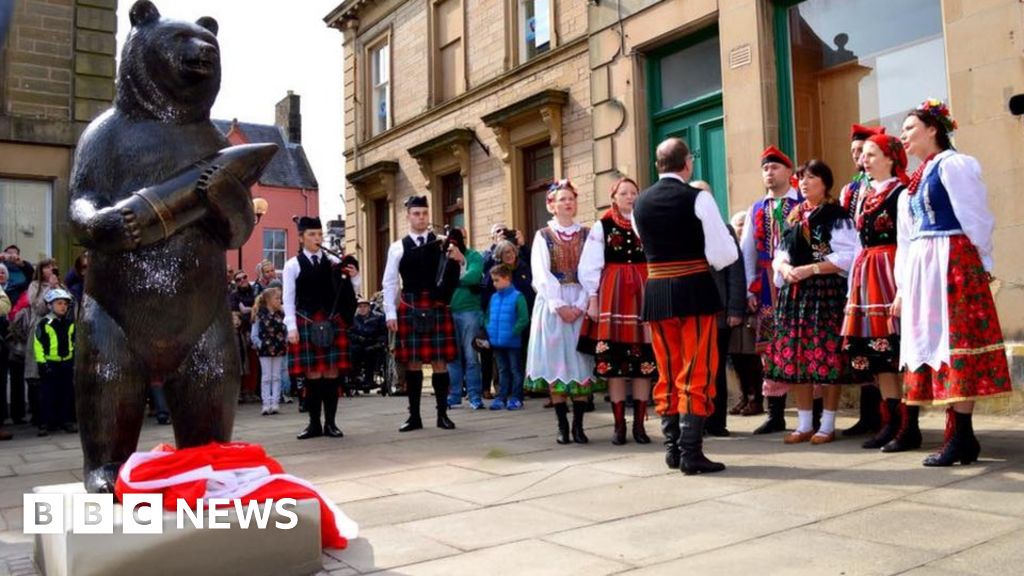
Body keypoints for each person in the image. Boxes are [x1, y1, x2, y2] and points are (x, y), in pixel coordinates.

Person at [895, 99, 1012, 466]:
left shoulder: (953, 165)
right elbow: (909, 236)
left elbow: (976, 216)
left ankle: (962, 437)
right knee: (937, 345)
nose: (904, 136)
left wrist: (982, 262)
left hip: (952, 262)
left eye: (910, 128)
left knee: (956, 343)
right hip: (927, 267)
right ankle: (959, 436)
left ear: (933, 129)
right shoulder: (918, 178)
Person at [633, 138, 738, 475]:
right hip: (693, 289)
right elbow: (724, 255)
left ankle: (673, 448)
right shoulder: (699, 197)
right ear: (687, 164)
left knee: (667, 369)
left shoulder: (639, 203)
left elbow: (645, 244)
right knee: (697, 368)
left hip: (658, 291)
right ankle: (691, 452)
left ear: (657, 165)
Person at [767, 160, 863, 445]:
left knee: (826, 357)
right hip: (795, 295)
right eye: (802, 178)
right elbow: (781, 250)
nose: (805, 183)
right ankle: (805, 423)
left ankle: (828, 424)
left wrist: (812, 269)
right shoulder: (795, 216)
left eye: (810, 178)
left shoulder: (836, 215)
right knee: (797, 358)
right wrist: (784, 268)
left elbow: (848, 255)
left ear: (824, 182)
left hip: (824, 293)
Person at [841, 133, 917, 451]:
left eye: (872, 154)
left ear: (890, 158)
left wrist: (904, 287)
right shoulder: (864, 194)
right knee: (879, 356)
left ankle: (909, 426)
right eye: (864, 155)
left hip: (890, 270)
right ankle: (891, 421)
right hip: (867, 273)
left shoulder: (902, 193)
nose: (865, 160)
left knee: (901, 352)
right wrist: (851, 290)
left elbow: (909, 240)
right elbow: (859, 242)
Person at [524, 180, 605, 444]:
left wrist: (581, 304)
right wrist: (559, 305)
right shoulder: (543, 235)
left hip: (580, 300)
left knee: (580, 364)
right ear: (551, 205)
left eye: (571, 198)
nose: (567, 203)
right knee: (556, 363)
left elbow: (593, 270)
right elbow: (541, 273)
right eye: (562, 199)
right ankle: (562, 426)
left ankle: (579, 426)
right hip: (553, 304)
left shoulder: (587, 233)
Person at [578, 177, 655, 445]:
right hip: (614, 294)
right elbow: (590, 266)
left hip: (644, 293)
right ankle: (619, 426)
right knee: (616, 366)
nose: (630, 197)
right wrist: (593, 298)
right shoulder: (603, 225)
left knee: (644, 364)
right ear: (614, 197)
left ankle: (640, 426)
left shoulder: (647, 221)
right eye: (624, 193)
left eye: (634, 192)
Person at [382, 196, 461, 432]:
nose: (421, 218)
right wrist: (390, 313)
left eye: (424, 213)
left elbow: (459, 270)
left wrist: (460, 257)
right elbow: (389, 282)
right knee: (413, 363)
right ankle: (414, 416)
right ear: (407, 216)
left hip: (436, 305)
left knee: (440, 363)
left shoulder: (442, 243)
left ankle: (442, 415)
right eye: (416, 214)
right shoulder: (397, 247)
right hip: (411, 305)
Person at [739, 146, 803, 435]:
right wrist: (748, 290)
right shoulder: (756, 208)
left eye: (775, 167)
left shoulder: (803, 202)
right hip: (766, 287)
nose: (769, 172)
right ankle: (775, 413)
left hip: (799, 282)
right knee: (770, 349)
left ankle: (809, 414)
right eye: (765, 168)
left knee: (803, 344)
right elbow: (748, 251)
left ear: (789, 173)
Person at [283, 216, 360, 440]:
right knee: (313, 375)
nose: (317, 238)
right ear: (301, 238)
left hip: (331, 322)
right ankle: (314, 424)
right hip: (306, 321)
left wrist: (355, 278)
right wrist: (291, 328)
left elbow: (348, 293)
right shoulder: (293, 265)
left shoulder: (333, 263)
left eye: (319, 234)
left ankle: (331, 424)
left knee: (331, 373)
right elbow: (288, 298)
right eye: (311, 235)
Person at [839, 124, 887, 438]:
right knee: (862, 345)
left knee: (883, 341)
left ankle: (889, 414)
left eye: (864, 151)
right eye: (855, 152)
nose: (858, 157)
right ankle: (868, 415)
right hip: (858, 267)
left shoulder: (884, 186)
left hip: (880, 266)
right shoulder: (850, 190)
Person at [690, 180, 746, 438]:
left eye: (705, 194)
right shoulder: (684, 230)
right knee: (693, 369)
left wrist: (736, 309)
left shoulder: (724, 230)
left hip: (720, 313)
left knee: (716, 368)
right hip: (691, 313)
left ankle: (717, 422)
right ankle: (695, 422)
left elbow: (735, 271)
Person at [481, 239, 535, 402]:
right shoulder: (495, 272)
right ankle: (502, 391)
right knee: (503, 365)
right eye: (505, 253)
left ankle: (520, 391)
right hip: (500, 324)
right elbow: (487, 298)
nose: (509, 255)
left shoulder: (524, 266)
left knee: (518, 361)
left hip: (520, 319)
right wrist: (488, 326)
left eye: (511, 252)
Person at [725, 211, 764, 418]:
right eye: (737, 224)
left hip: (751, 308)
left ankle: (756, 398)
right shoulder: (730, 247)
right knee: (736, 356)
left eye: (743, 224)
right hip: (734, 309)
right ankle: (743, 395)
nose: (740, 228)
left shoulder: (753, 251)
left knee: (751, 355)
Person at [444, 227, 486, 410]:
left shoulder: (474, 256)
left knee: (471, 356)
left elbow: (474, 276)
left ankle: (475, 395)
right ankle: (454, 395)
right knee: (452, 356)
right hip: (448, 311)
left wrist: (461, 262)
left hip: (470, 311)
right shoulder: (444, 258)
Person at [33, 288, 76, 436]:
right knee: (47, 395)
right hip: (50, 364)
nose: (63, 306)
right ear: (50, 305)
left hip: (66, 363)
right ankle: (45, 423)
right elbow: (38, 344)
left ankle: (66, 421)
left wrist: (73, 360)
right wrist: (42, 363)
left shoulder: (70, 323)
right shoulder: (44, 323)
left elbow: (74, 343)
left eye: (65, 304)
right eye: (59, 303)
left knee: (66, 393)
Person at [485, 265, 529, 411]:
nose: (494, 283)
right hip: (497, 342)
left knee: (515, 370)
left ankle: (516, 397)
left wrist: (513, 332)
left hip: (512, 342)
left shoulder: (518, 296)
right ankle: (501, 397)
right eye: (493, 280)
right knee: (503, 370)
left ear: (507, 278)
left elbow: (523, 318)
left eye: (497, 280)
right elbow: (488, 316)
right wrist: (489, 330)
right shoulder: (493, 297)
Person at [251, 287, 287, 415]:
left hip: (278, 348)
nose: (279, 301)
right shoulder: (260, 314)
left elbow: (285, 330)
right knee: (266, 376)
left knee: (276, 376)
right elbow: (254, 333)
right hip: (265, 350)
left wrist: (285, 342)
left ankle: (275, 402)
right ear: (268, 300)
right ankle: (266, 403)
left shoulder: (281, 314)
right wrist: (260, 344)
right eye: (277, 298)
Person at [231, 269, 259, 403]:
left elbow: (259, 307)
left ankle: (251, 391)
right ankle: (241, 391)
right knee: (242, 361)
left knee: (254, 362)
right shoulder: (234, 295)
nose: (242, 280)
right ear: (235, 282)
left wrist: (249, 310)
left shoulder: (255, 291)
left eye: (244, 277)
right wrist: (251, 310)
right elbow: (235, 312)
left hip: (256, 328)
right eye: (238, 279)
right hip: (242, 331)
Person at [349, 297, 386, 391]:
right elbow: (349, 333)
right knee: (354, 351)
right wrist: (358, 338)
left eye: (364, 306)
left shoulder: (378, 318)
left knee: (370, 353)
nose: (362, 309)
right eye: (360, 307)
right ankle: (355, 376)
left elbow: (383, 332)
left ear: (369, 307)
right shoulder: (353, 319)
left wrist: (378, 342)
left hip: (373, 343)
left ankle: (369, 379)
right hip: (359, 343)